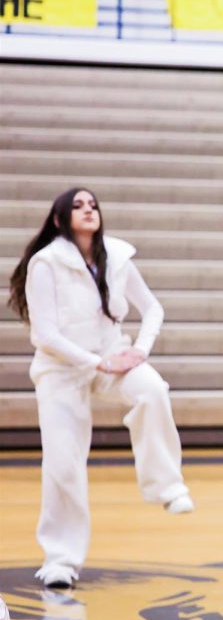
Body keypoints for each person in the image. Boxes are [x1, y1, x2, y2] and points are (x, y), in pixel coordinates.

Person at [7, 188, 194, 590]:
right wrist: (96, 363)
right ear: (59, 219)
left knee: (153, 390)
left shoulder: (118, 256)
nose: (88, 209)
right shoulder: (46, 263)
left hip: (113, 356)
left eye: (93, 204)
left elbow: (152, 308)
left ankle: (167, 486)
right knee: (63, 461)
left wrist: (139, 351)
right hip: (61, 370)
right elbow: (45, 334)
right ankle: (60, 560)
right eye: (77, 205)